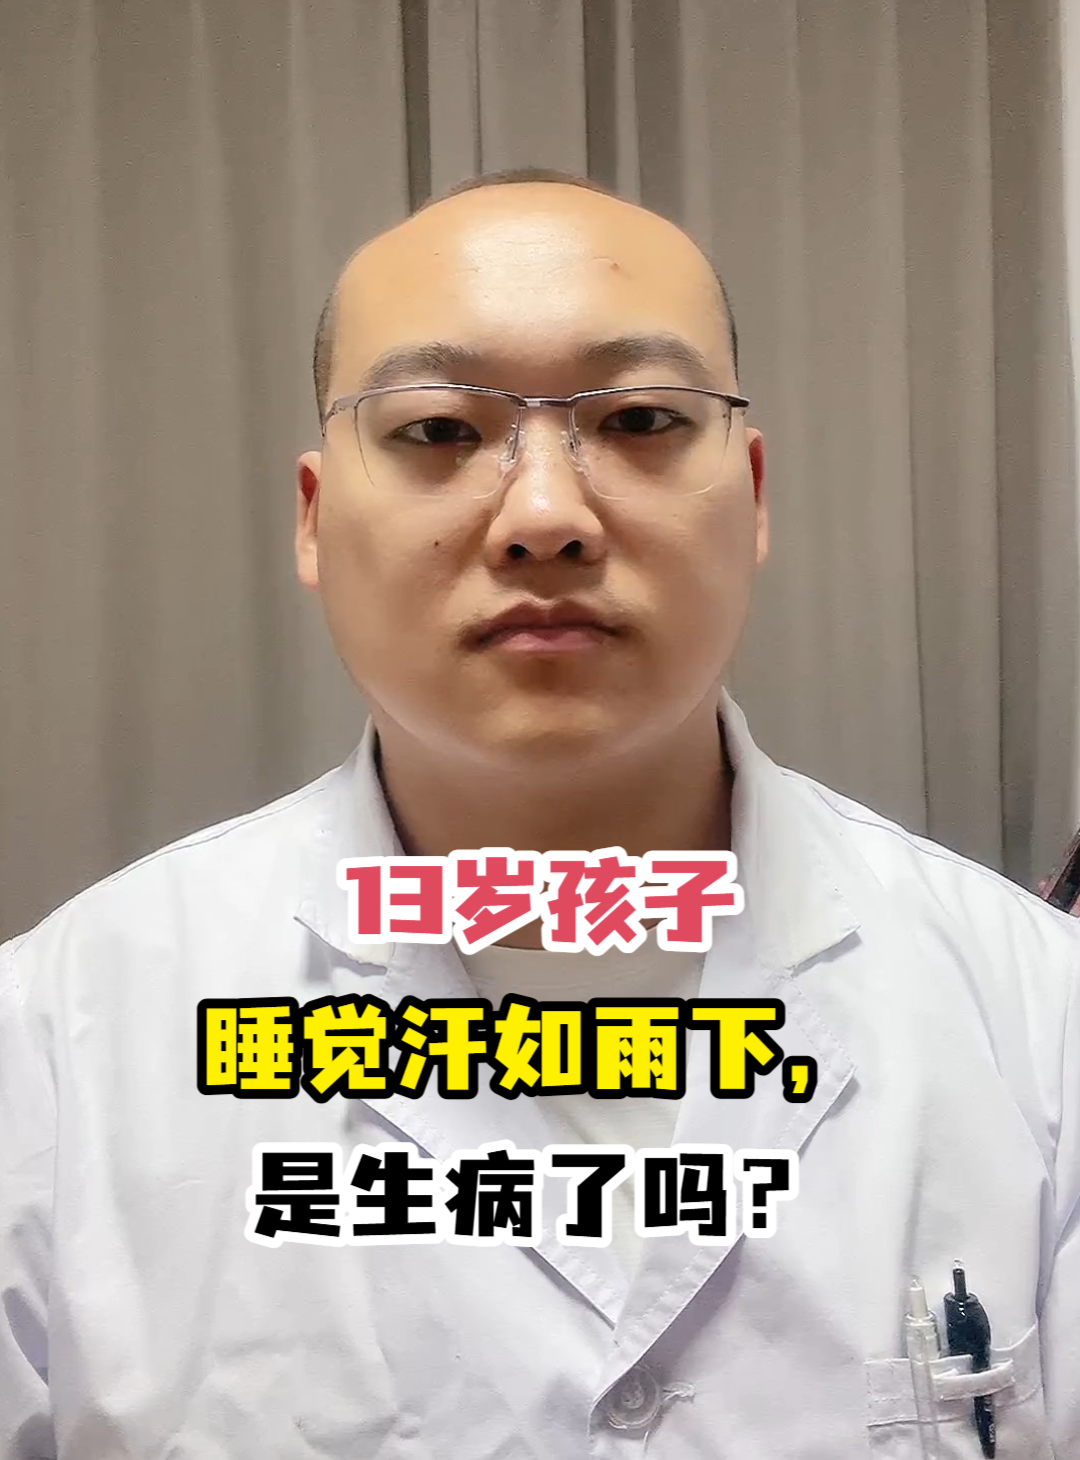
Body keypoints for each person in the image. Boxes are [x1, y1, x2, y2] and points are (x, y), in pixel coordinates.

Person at [2, 166, 1078, 1459]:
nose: (548, 517)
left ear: (753, 495)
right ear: (315, 519)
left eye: (640, 418)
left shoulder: (1040, 1025)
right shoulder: (53, 1054)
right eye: (437, 431)